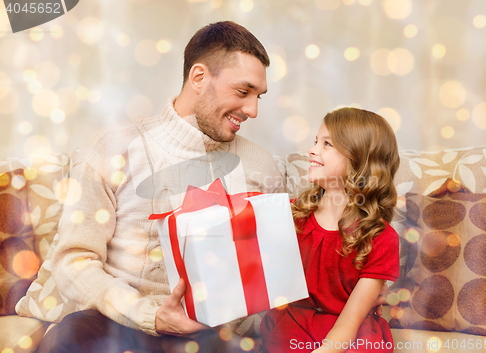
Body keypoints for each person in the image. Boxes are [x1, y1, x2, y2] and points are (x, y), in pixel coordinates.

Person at [35, 21, 284, 353]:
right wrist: (149, 315)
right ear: (198, 78)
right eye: (243, 91)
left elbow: (268, 279)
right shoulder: (112, 149)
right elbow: (72, 262)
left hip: (212, 335)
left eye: (258, 97)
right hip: (116, 323)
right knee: (73, 337)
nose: (252, 110)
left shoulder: (261, 167)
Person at [260, 107, 400, 353]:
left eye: (327, 144)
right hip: (293, 324)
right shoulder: (291, 215)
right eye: (316, 141)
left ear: (359, 159)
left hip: (350, 332)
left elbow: (349, 322)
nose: (312, 150)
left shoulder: (382, 238)